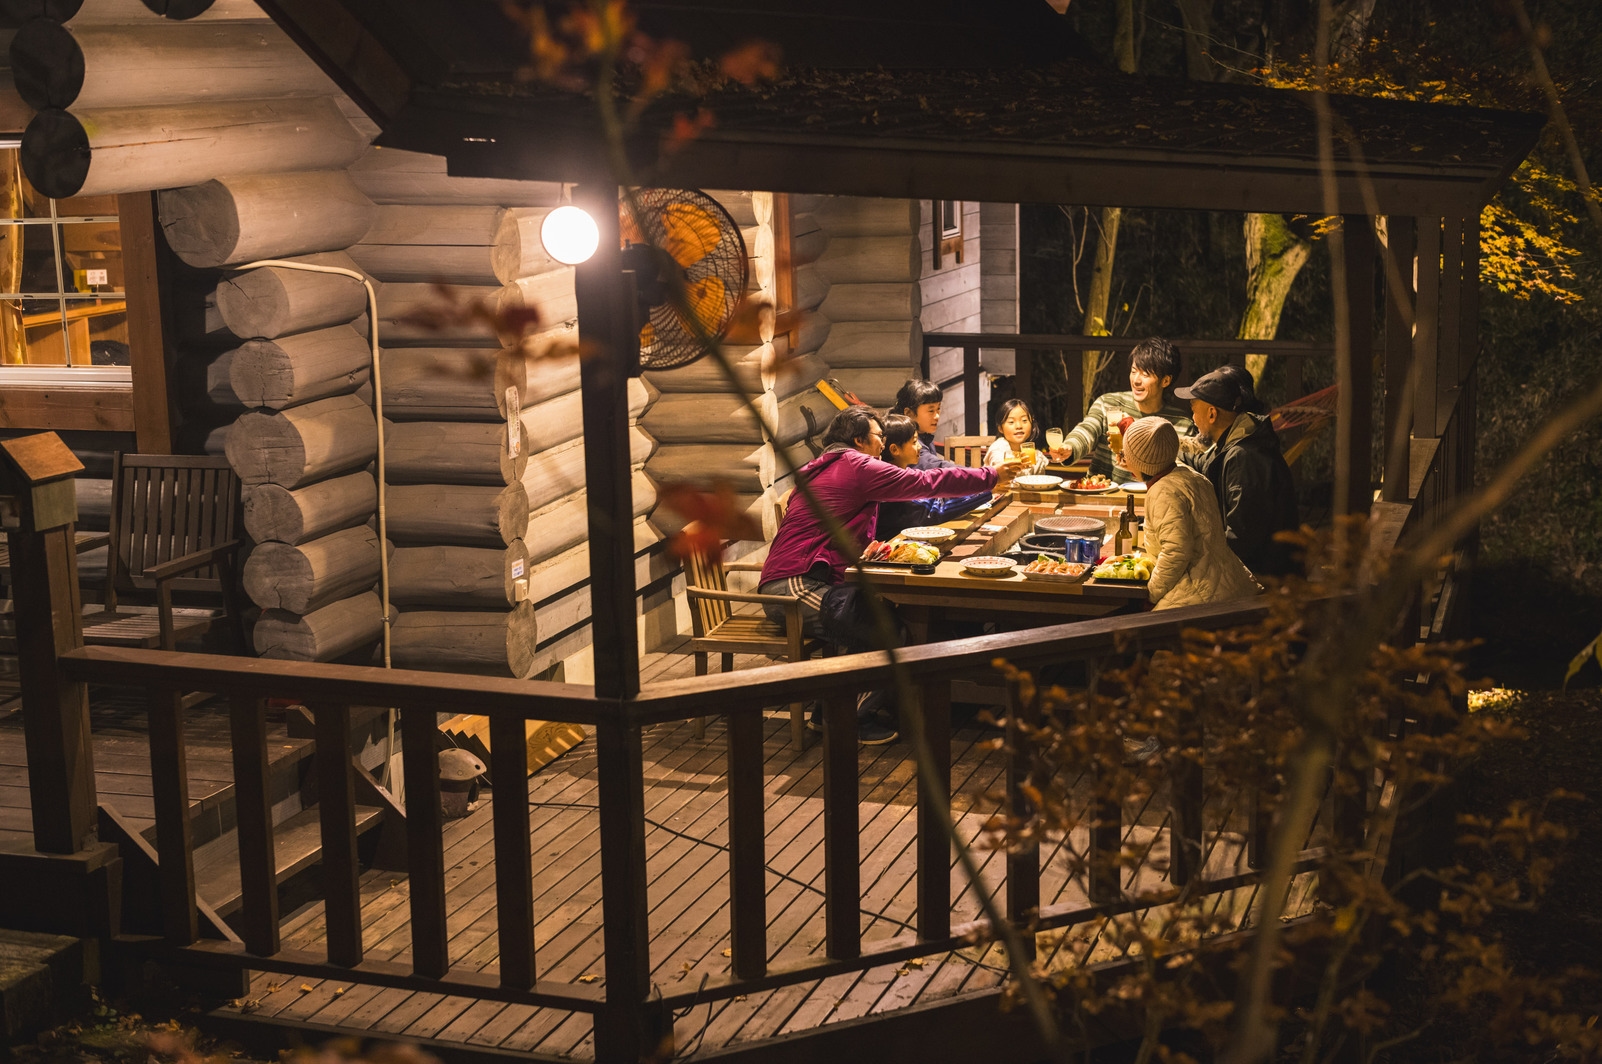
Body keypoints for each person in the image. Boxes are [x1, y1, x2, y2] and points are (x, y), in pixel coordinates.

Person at [758, 406, 1019, 743]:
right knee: (886, 630)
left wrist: (865, 551)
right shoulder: (856, 465)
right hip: (791, 587)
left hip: (811, 579)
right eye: (878, 436)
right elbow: (925, 482)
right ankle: (848, 718)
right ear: (858, 441)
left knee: (881, 614)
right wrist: (990, 476)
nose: (883, 443)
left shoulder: (830, 466)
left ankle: (830, 713)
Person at [1118, 416, 1259, 611]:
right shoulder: (1190, 476)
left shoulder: (1163, 491)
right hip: (1229, 582)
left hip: (1199, 595)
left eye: (1127, 454)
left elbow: (1175, 553)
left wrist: (1150, 594)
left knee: (1128, 626)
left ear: (1139, 462)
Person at [1174, 366, 1300, 576]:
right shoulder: (1232, 442)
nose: (1193, 418)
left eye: (1194, 410)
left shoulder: (1245, 457)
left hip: (1266, 581)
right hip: (1250, 570)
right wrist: (1157, 451)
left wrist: (1197, 563)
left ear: (1212, 414)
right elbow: (1201, 464)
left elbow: (1241, 539)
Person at [1057, 337, 1196, 482]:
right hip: (1101, 492)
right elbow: (1087, 429)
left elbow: (1180, 473)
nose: (1136, 380)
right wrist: (1070, 447)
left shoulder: (1181, 424)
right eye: (1134, 371)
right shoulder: (1109, 404)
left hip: (1151, 498)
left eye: (1145, 374)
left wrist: (1134, 439)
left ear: (1165, 381)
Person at [876, 415, 992, 539]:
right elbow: (933, 510)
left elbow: (934, 497)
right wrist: (987, 488)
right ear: (895, 449)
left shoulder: (906, 472)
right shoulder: (891, 483)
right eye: (914, 442)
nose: (920, 447)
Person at [984, 399, 1064, 475]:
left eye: (1024, 420)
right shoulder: (998, 448)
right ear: (1000, 428)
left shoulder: (1033, 454)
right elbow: (999, 465)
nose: (1019, 426)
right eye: (1011, 422)